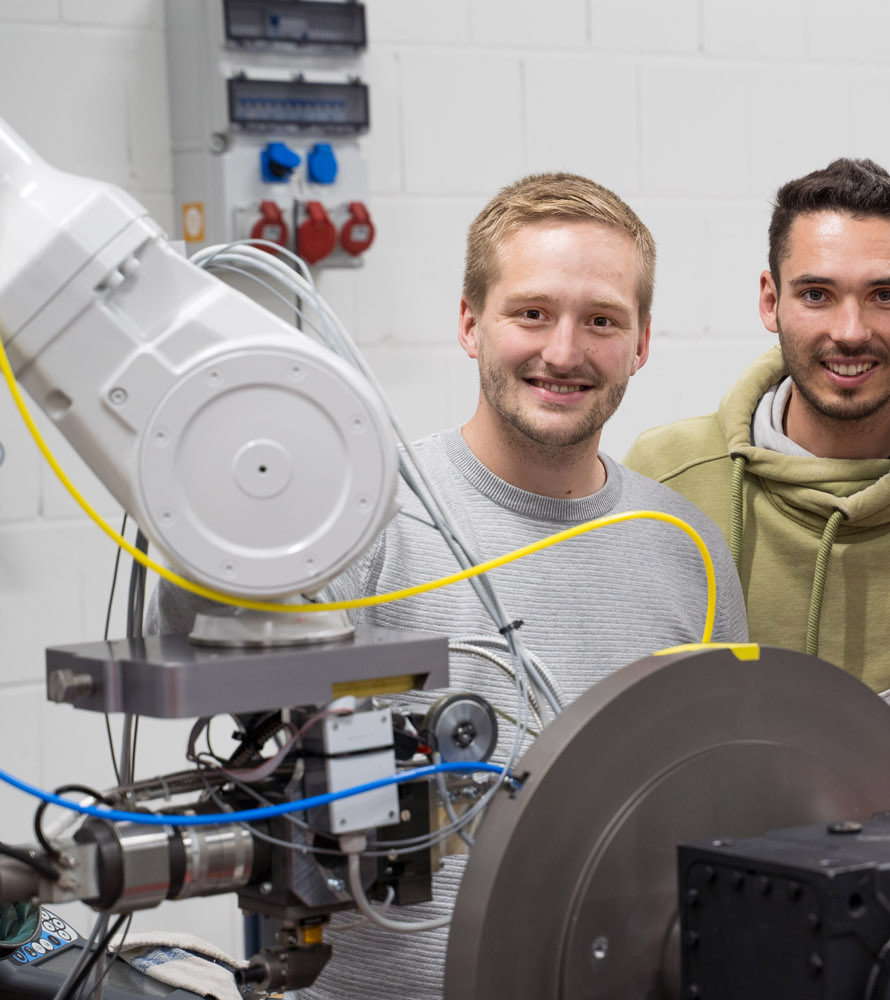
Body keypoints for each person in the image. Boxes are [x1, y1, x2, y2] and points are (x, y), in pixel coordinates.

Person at [151, 172, 748, 1000]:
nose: (565, 351)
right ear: (470, 322)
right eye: (531, 312)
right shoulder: (357, 517)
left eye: (602, 320)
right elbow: (193, 641)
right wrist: (211, 493)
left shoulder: (686, 547)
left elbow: (715, 802)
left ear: (642, 342)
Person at [626, 158, 890, 793]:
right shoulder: (665, 478)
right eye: (816, 294)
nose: (850, 331)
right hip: (704, 881)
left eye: (884, 294)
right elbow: (627, 712)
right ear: (771, 303)